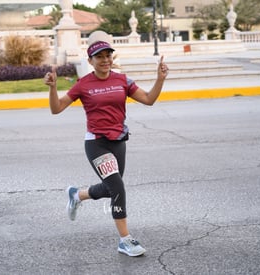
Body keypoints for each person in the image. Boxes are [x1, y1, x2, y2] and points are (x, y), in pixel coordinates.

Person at [44, 40, 169, 257]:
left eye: (108, 56)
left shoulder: (122, 79)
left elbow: (148, 99)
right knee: (118, 188)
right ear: (90, 61)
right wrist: (53, 89)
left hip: (118, 140)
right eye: (100, 57)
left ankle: (77, 195)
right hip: (96, 142)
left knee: (111, 187)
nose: (105, 60)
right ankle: (125, 240)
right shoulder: (84, 83)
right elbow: (56, 109)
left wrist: (160, 79)